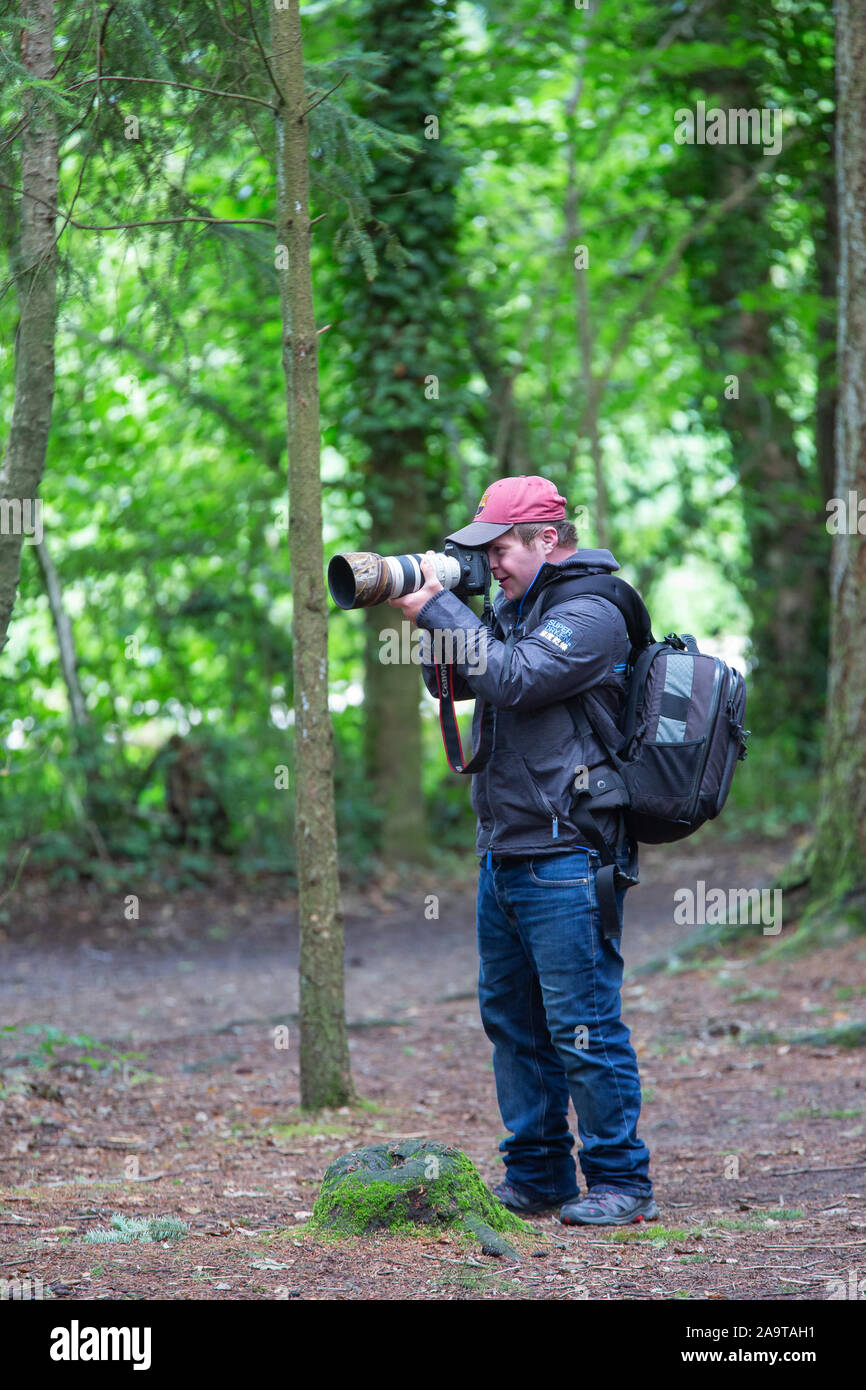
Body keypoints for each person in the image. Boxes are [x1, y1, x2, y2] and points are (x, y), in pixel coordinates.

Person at [388, 474, 658, 1226]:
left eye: (500, 549)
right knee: (513, 1023)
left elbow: (512, 678)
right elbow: (465, 685)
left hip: (568, 854)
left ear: (546, 540)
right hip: (505, 849)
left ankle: (621, 1183)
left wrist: (441, 605)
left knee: (584, 1023)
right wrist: (435, 616)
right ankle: (539, 1175)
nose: (491, 565)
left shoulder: (592, 609)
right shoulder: (512, 606)